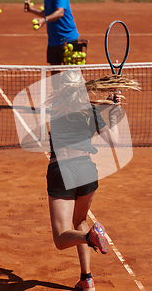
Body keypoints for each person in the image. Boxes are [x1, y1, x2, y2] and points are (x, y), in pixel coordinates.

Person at [44, 70, 122, 291]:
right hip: (87, 172)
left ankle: (90, 237)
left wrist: (105, 105)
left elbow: (75, 113)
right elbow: (113, 140)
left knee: (61, 239)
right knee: (79, 221)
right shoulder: (93, 113)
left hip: (62, 172)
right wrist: (112, 115)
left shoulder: (56, 109)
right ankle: (86, 279)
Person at [25, 0, 79, 65]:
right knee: (54, 74)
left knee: (73, 74)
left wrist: (44, 20)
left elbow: (60, 12)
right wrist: (31, 10)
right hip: (54, 41)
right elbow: (49, 13)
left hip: (67, 39)